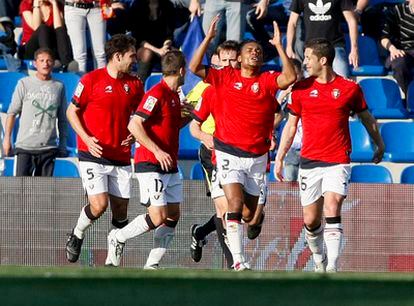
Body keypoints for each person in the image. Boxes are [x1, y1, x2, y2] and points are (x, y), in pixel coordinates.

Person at [190, 16, 296, 270]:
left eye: (259, 51)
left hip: (258, 157)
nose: (255, 54)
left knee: (249, 215)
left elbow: (290, 77)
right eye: (250, 50)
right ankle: (238, 260)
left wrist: (279, 46)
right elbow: (194, 67)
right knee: (233, 205)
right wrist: (207, 39)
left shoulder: (267, 80)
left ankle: (243, 239)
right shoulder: (224, 77)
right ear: (239, 58)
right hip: (228, 153)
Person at [274, 38, 384, 272]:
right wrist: (280, 157)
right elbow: (291, 126)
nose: (305, 63)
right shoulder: (301, 89)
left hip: (338, 160)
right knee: (310, 220)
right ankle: (318, 258)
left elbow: (367, 119)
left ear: (322, 60)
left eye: (308, 58)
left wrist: (380, 145)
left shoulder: (349, 88)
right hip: (310, 162)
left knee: (332, 208)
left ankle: (332, 268)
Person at [106, 50, 189, 269]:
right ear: (182, 71)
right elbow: (134, 124)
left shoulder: (174, 96)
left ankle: (151, 266)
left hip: (169, 165)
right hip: (151, 163)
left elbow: (168, 128)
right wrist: (157, 151)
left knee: (172, 216)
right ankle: (119, 236)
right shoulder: (156, 93)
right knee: (158, 216)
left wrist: (187, 117)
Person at [65, 34, 144, 263]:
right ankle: (77, 233)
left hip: (120, 156)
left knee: (120, 213)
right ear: (117, 56)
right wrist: (87, 138)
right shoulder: (91, 80)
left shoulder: (135, 84)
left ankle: (112, 262)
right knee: (99, 205)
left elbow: (141, 116)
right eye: (131, 56)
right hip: (93, 153)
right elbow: (72, 112)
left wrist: (134, 133)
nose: (135, 60)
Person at [2, 47, 68, 176]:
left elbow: (62, 119)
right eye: (42, 60)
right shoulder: (24, 84)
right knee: (21, 190)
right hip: (25, 147)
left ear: (53, 63)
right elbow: (11, 113)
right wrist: (7, 139)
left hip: (48, 148)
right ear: (35, 63)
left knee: (43, 192)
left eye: (49, 60)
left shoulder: (59, 87)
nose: (45, 63)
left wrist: (63, 144)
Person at [286, 0, 359, 77]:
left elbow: (351, 20)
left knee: (343, 81)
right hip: (311, 49)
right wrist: (289, 46)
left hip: (334, 46)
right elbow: (292, 22)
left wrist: (354, 49)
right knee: (310, 85)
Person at [19, 0, 75, 71]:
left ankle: (67, 64)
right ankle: (48, 60)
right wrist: (36, 4)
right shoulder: (26, 4)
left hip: (51, 47)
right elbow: (36, 27)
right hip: (31, 49)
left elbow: (59, 28)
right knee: (43, 28)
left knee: (61, 30)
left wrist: (54, 4)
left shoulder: (58, 5)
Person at [128, 0, 176, 82]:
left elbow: (169, 34)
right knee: (147, 53)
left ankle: (171, 86)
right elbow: (138, 38)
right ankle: (140, 85)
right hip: (143, 45)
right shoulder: (137, 6)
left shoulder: (168, 5)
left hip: (161, 44)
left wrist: (165, 46)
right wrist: (157, 50)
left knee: (174, 55)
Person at [277, 58, 304, 181]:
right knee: (289, 183)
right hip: (291, 147)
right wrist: (282, 97)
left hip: (307, 147)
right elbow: (274, 118)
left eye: (295, 74)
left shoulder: (306, 91)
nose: (292, 78)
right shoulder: (281, 93)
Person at [64, 0, 109, 73]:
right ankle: (81, 82)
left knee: (100, 53)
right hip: (73, 7)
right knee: (79, 55)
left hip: (96, 7)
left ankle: (102, 82)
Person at [380, 0, 414, 95]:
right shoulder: (397, 11)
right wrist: (393, 49)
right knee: (398, 63)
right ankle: (410, 96)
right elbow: (384, 37)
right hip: (402, 50)